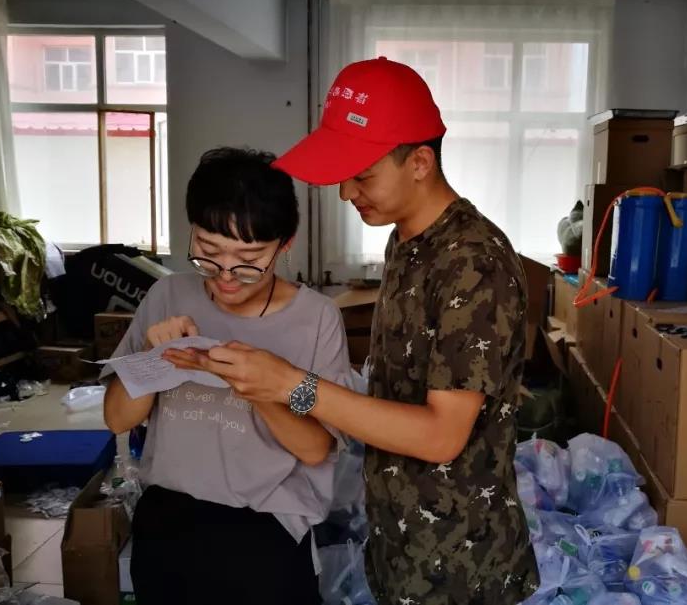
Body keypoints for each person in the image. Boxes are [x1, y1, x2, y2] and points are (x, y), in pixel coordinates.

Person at [166, 58, 538, 605]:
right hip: (404, 539)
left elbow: (441, 436)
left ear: (419, 162)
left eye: (362, 176)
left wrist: (291, 385)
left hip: (459, 563)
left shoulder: (473, 264)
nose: (346, 193)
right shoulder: (409, 240)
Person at [102, 147, 351, 605]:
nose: (227, 277)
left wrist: (261, 388)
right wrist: (155, 361)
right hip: (168, 520)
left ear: (285, 244)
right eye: (209, 253)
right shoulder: (167, 295)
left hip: (266, 528)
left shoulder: (316, 318)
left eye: (249, 260)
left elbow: (316, 448)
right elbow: (117, 418)